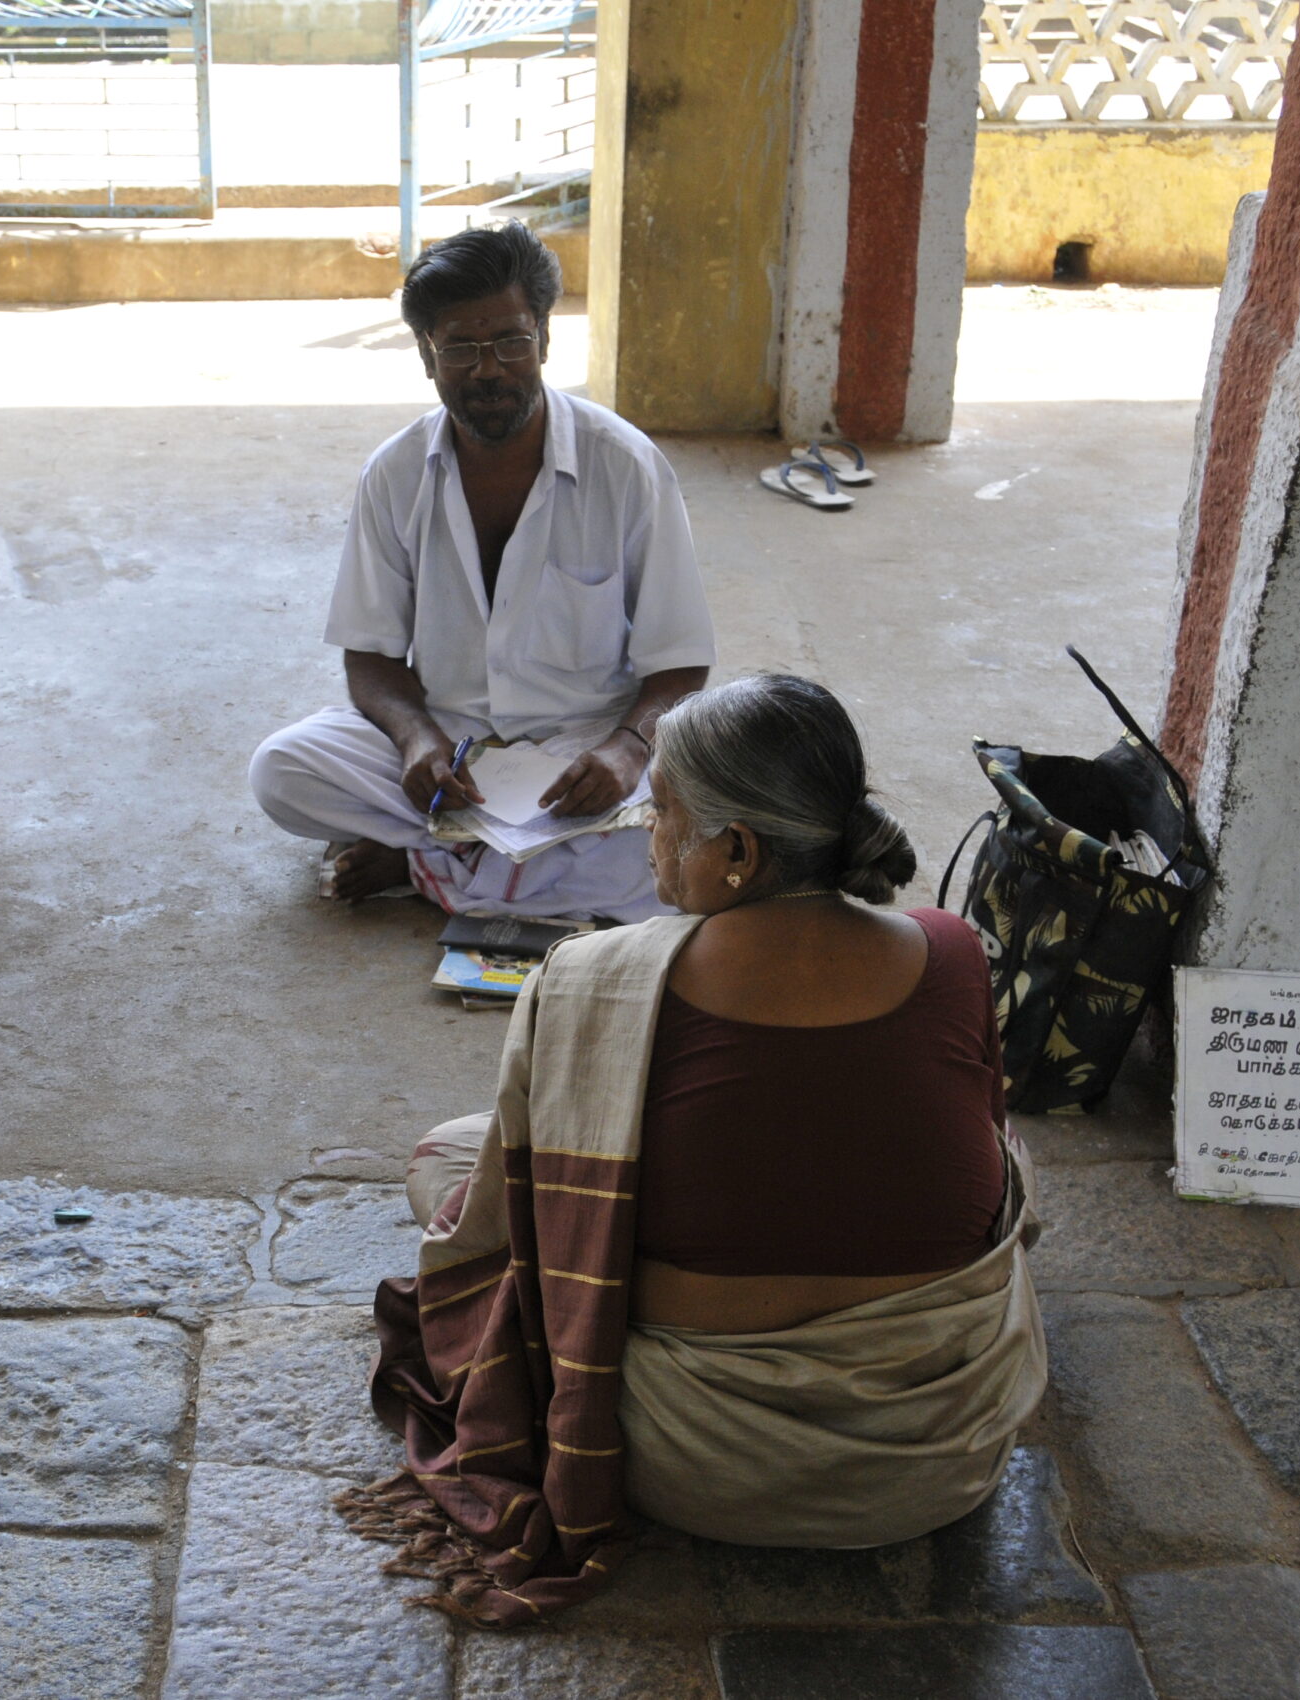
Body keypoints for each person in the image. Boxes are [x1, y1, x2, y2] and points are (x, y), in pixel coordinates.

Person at [340, 675, 1047, 1626]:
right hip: (944, 1447)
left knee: (453, 1159)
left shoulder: (590, 976)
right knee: (1005, 1158)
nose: (646, 829)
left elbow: (510, 1218)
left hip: (695, 1461)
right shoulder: (953, 950)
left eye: (663, 809)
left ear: (739, 851)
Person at [248, 221, 714, 921]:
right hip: (453, 752)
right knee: (283, 770)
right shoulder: (395, 473)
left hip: (588, 753)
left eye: (511, 342)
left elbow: (680, 663)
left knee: (709, 831)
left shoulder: (626, 465)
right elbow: (370, 657)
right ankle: (505, 865)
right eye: (460, 348)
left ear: (544, 340)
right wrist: (417, 739)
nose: (488, 369)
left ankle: (424, 862)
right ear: (425, 355)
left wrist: (625, 750)